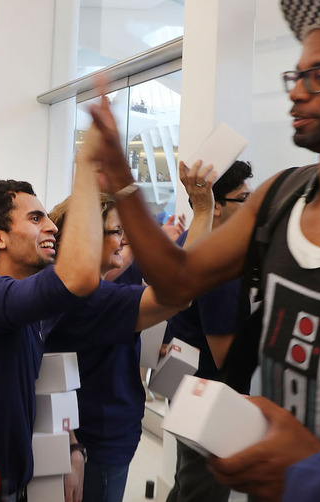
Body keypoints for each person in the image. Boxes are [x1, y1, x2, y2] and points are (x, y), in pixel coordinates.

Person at [88, 0, 320, 501]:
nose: (297, 92)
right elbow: (177, 279)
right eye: (297, 75)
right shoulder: (282, 196)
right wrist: (122, 179)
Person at [0, 118, 106, 501]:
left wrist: (71, 446)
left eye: (48, 216)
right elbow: (79, 275)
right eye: (36, 219)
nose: (51, 226)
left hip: (15, 486)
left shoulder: (31, 308)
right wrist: (85, 169)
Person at [42, 171, 205, 502]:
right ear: (86, 238)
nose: (124, 241)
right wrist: (203, 211)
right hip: (100, 442)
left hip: (92, 434)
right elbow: (182, 291)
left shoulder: (61, 289)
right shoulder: (93, 300)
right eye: (116, 232)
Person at [164, 160, 253, 502]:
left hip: (187, 391)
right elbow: (225, 355)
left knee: (188, 482)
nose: (251, 207)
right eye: (243, 199)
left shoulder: (191, 242)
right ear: (216, 208)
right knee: (202, 489)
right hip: (210, 401)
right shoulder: (219, 260)